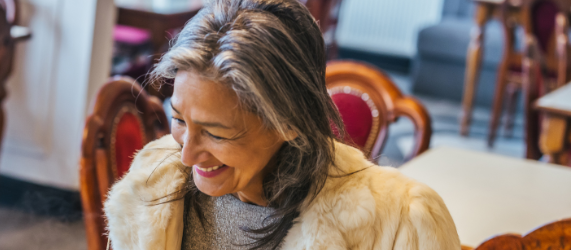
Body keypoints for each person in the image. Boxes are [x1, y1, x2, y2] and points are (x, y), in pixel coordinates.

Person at [104, 0, 461, 249]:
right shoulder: (152, 185)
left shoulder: (401, 223)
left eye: (215, 132)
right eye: (179, 119)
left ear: (290, 121)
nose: (186, 155)